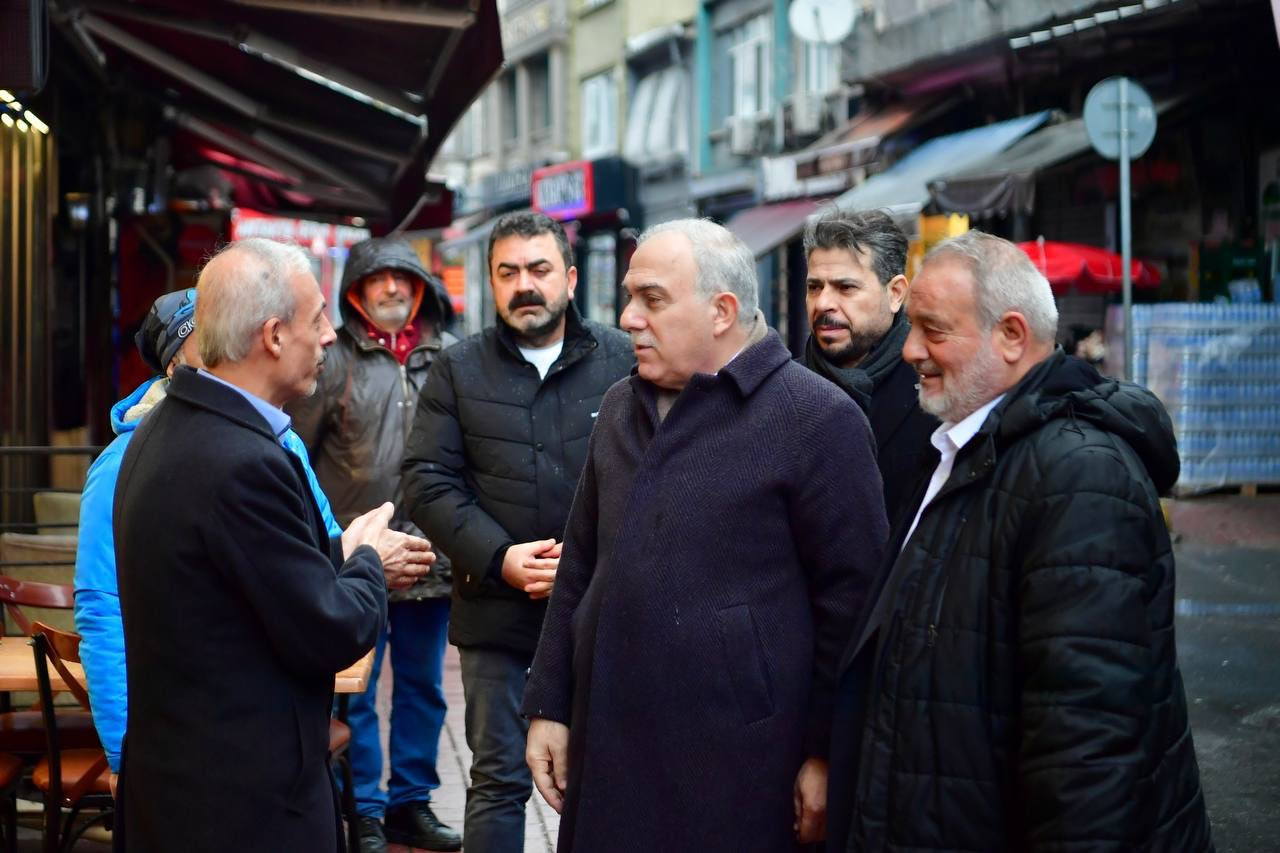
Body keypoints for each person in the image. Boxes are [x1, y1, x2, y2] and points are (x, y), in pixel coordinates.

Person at [825, 231, 1213, 852]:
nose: (911, 350)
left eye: (933, 330)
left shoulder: (1080, 475)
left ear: (1011, 335)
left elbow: (1089, 750)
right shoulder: (964, 445)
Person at [521, 219, 888, 852]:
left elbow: (854, 613)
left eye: (653, 299)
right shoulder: (621, 407)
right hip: (610, 751)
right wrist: (550, 703)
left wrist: (827, 754)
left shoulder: (818, 419)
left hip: (740, 771)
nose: (629, 319)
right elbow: (579, 565)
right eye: (630, 297)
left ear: (722, 311)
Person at [112, 239, 410, 852]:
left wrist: (342, 556)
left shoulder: (166, 426)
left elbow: (246, 579)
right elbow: (330, 630)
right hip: (240, 809)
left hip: (182, 794)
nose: (329, 336)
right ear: (273, 336)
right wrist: (369, 561)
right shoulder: (242, 459)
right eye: (318, 318)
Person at [401, 211, 633, 852]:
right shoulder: (458, 369)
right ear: (491, 282)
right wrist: (499, 556)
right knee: (499, 780)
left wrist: (596, 560)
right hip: (496, 614)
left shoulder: (623, 359)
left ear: (571, 278)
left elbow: (656, 472)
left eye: (538, 269)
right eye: (508, 272)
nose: (524, 285)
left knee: (606, 779)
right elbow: (426, 480)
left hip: (600, 611)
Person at [74, 288, 344, 796]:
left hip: (278, 726)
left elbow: (325, 548)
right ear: (174, 366)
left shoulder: (283, 440)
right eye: (211, 342)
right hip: (180, 739)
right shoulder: (120, 465)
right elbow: (103, 610)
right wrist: (124, 752)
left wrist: (362, 559)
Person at [288, 237, 460, 852]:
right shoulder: (332, 358)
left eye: (402, 278)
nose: (391, 288)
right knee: (353, 690)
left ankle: (411, 803)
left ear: (420, 289)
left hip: (430, 554)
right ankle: (362, 808)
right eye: (377, 279)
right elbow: (297, 455)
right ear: (356, 292)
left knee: (423, 687)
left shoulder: (449, 356)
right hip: (353, 556)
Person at [799, 210, 938, 526]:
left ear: (895, 293)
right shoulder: (781, 393)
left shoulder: (937, 391)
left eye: (845, 287)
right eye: (814, 287)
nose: (823, 303)